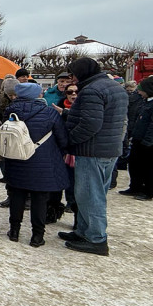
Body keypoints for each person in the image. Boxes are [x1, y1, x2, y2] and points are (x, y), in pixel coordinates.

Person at [59, 57, 128, 256]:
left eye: (73, 74)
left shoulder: (91, 90)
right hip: (109, 149)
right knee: (94, 193)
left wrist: (69, 140)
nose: (71, 78)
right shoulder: (112, 86)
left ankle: (96, 239)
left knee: (90, 195)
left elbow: (90, 124)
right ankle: (83, 231)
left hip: (93, 150)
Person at [1, 82, 69, 247]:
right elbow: (63, 140)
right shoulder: (50, 113)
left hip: (16, 160)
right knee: (40, 199)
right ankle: (37, 236)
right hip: (43, 163)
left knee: (17, 196)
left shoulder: (10, 112)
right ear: (38, 95)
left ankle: (14, 231)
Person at [120, 75, 153, 201]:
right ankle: (135, 186)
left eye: (141, 90)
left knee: (149, 166)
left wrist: (149, 141)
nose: (138, 92)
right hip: (140, 138)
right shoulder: (149, 100)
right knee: (134, 164)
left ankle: (148, 191)